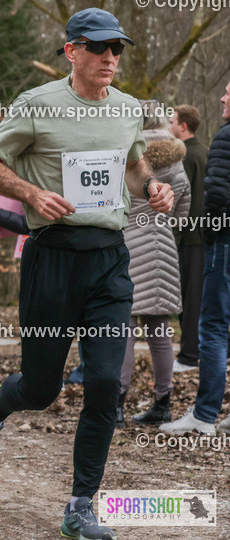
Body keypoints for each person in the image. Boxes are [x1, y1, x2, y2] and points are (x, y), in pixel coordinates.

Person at [0, 8, 174, 540]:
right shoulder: (37, 105)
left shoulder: (128, 109)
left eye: (117, 49)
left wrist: (151, 187)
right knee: (41, 388)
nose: (111, 57)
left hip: (109, 257)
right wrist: (32, 193)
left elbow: (132, 164)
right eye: (100, 47)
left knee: (107, 383)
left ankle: (81, 505)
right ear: (72, 51)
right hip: (51, 257)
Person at [162, 81, 230, 436]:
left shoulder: (223, 138)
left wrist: (210, 234)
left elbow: (216, 195)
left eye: (229, 93)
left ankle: (204, 414)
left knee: (213, 327)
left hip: (220, 242)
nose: (222, 97)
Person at [119, 102, 191, 426]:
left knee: (125, 331)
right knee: (160, 332)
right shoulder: (176, 161)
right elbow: (182, 211)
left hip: (128, 248)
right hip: (163, 249)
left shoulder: (128, 153)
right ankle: (162, 404)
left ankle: (115, 407)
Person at [168, 104, 208, 372]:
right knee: (198, 298)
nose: (169, 125)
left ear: (183, 126)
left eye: (172, 121)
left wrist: (174, 235)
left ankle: (188, 355)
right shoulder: (205, 152)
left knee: (189, 299)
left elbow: (182, 199)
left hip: (189, 238)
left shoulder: (186, 155)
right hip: (204, 236)